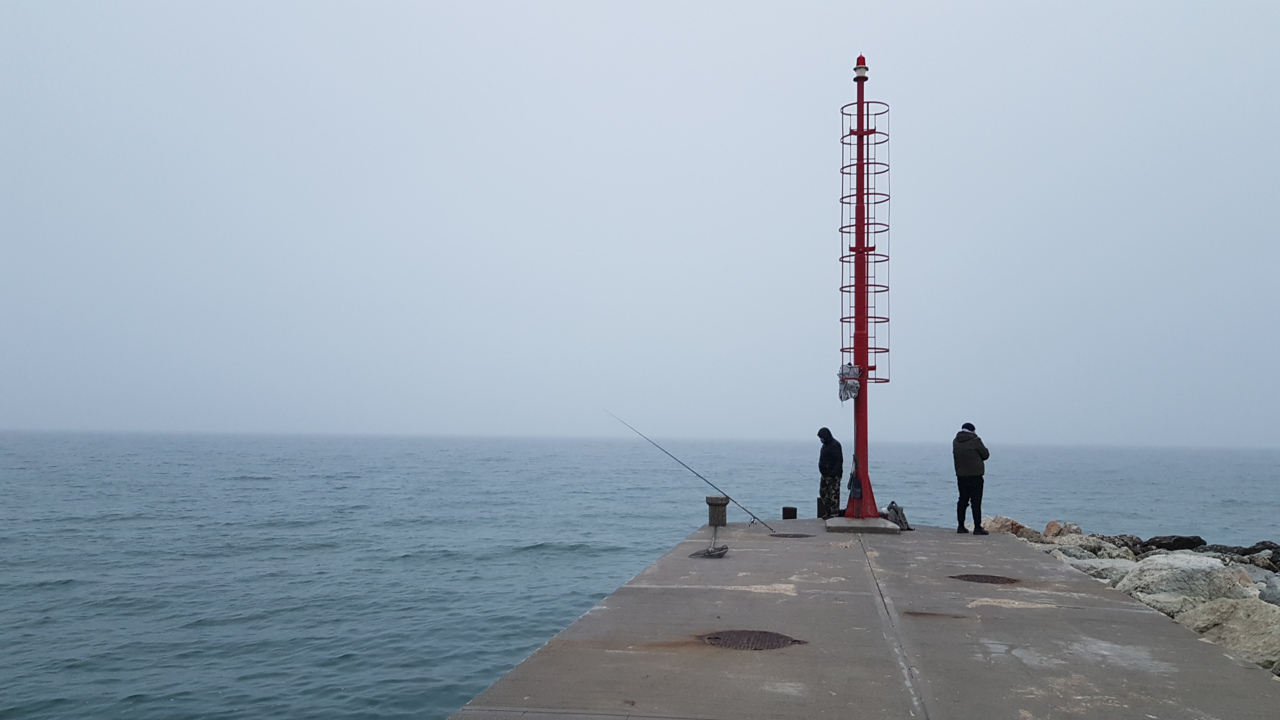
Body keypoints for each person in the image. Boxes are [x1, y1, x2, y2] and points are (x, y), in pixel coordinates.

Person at [953, 422, 990, 535]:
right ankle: (977, 527)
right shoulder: (975, 440)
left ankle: (960, 526)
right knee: (976, 502)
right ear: (973, 430)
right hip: (975, 476)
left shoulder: (956, 441)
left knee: (962, 500)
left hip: (961, 476)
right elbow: (985, 455)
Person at [816, 427, 843, 519]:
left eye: (822, 437)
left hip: (833, 475)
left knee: (833, 494)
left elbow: (838, 461)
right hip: (824, 474)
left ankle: (834, 513)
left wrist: (833, 474)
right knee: (823, 493)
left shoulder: (835, 445)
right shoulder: (825, 445)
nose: (821, 439)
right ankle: (828, 512)